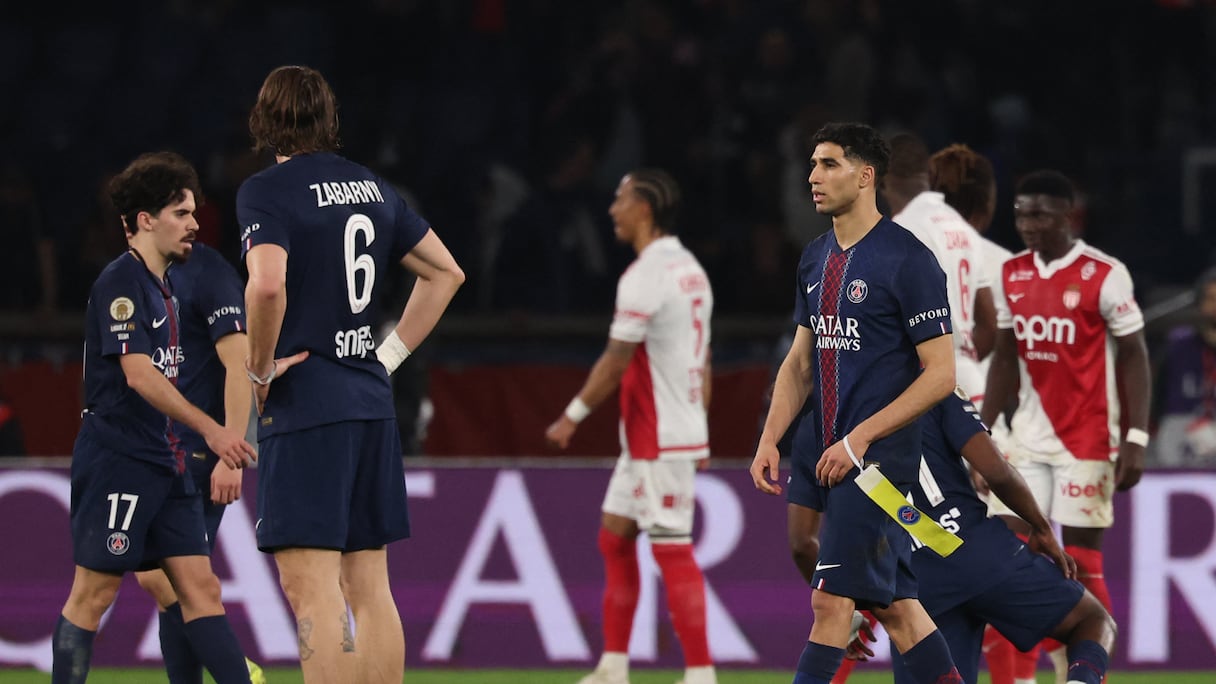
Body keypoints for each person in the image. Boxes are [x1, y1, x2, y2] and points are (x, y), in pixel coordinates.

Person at [238, 65, 465, 684]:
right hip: (369, 400)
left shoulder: (266, 191)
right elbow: (446, 273)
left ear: (264, 120)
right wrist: (386, 358)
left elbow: (267, 285)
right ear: (328, 118)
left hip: (307, 402)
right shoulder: (370, 186)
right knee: (369, 586)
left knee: (311, 586)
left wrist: (259, 371)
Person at [750, 122, 962, 684]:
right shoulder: (815, 257)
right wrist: (770, 438)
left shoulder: (908, 259)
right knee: (899, 611)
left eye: (828, 164)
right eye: (812, 164)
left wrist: (860, 438)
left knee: (830, 604)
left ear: (866, 176)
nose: (813, 177)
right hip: (820, 447)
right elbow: (799, 363)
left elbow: (941, 375)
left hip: (876, 461)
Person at [52, 152, 259, 684]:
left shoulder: (162, 285)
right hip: (119, 459)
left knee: (199, 589)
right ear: (146, 220)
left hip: (166, 459)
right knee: (93, 594)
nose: (195, 224)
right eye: (181, 213)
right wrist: (214, 430)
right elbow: (140, 376)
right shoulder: (121, 284)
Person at [802, 391, 1118, 684]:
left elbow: (802, 542)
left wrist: (846, 610)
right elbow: (997, 472)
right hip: (977, 552)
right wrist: (1041, 526)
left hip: (915, 586)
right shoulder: (931, 389)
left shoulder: (817, 425)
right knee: (1091, 621)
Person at [545, 168, 717, 684]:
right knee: (615, 537)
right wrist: (701, 426)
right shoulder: (691, 269)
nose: (612, 210)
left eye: (619, 200)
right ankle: (613, 667)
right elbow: (704, 359)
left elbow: (616, 358)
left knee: (673, 550)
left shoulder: (645, 276)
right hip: (662, 434)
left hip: (658, 438)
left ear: (643, 209)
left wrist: (571, 416)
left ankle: (701, 674)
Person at [981, 170, 1151, 683]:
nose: (1028, 225)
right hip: (1026, 441)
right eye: (1021, 214)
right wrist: (980, 434)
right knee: (1006, 563)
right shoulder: (1011, 273)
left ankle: (1083, 673)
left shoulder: (1106, 274)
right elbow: (1005, 358)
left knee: (1080, 560)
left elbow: (1135, 356)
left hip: (1088, 442)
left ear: (1068, 215)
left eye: (1040, 215)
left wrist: (1136, 437)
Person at [131, 239, 264, 684]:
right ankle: (228, 659)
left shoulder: (210, 274)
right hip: (151, 450)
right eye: (181, 211)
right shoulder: (133, 277)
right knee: (159, 580)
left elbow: (239, 364)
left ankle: (236, 670)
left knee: (186, 583)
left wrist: (231, 452)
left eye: (190, 212)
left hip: (196, 451)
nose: (191, 223)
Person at [881, 133, 996, 403]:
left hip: (929, 388)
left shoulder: (900, 231)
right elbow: (989, 325)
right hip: (972, 384)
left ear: (880, 180)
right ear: (930, 173)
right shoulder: (963, 228)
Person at [1150, 266, 1216, 467]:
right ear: (1199, 304)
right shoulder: (1177, 345)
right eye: (1211, 299)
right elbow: (1156, 394)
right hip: (1180, 435)